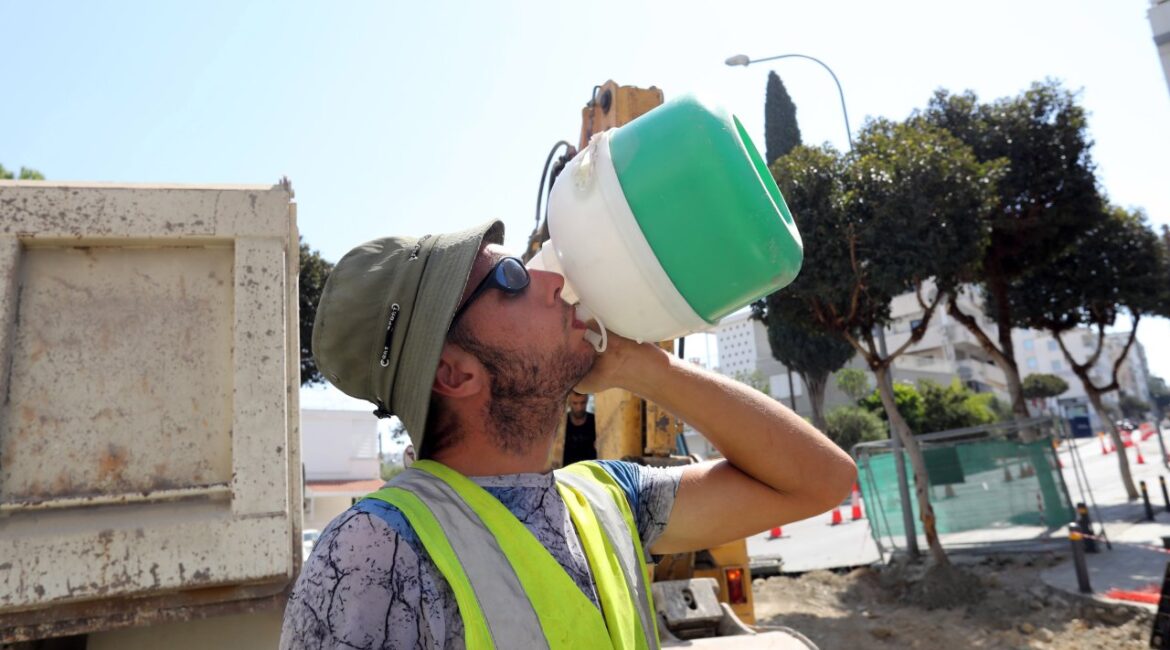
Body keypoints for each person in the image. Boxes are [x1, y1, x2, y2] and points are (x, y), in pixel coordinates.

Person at [280, 220, 855, 649]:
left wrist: (645, 369)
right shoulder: (373, 552)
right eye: (511, 278)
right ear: (454, 373)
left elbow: (822, 481)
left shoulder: (608, 500)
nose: (554, 281)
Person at [562, 391, 597, 465]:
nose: (579, 407)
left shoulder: (595, 422)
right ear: (569, 402)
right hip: (566, 471)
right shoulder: (562, 424)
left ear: (587, 400)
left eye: (583, 403)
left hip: (589, 470)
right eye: (575, 403)